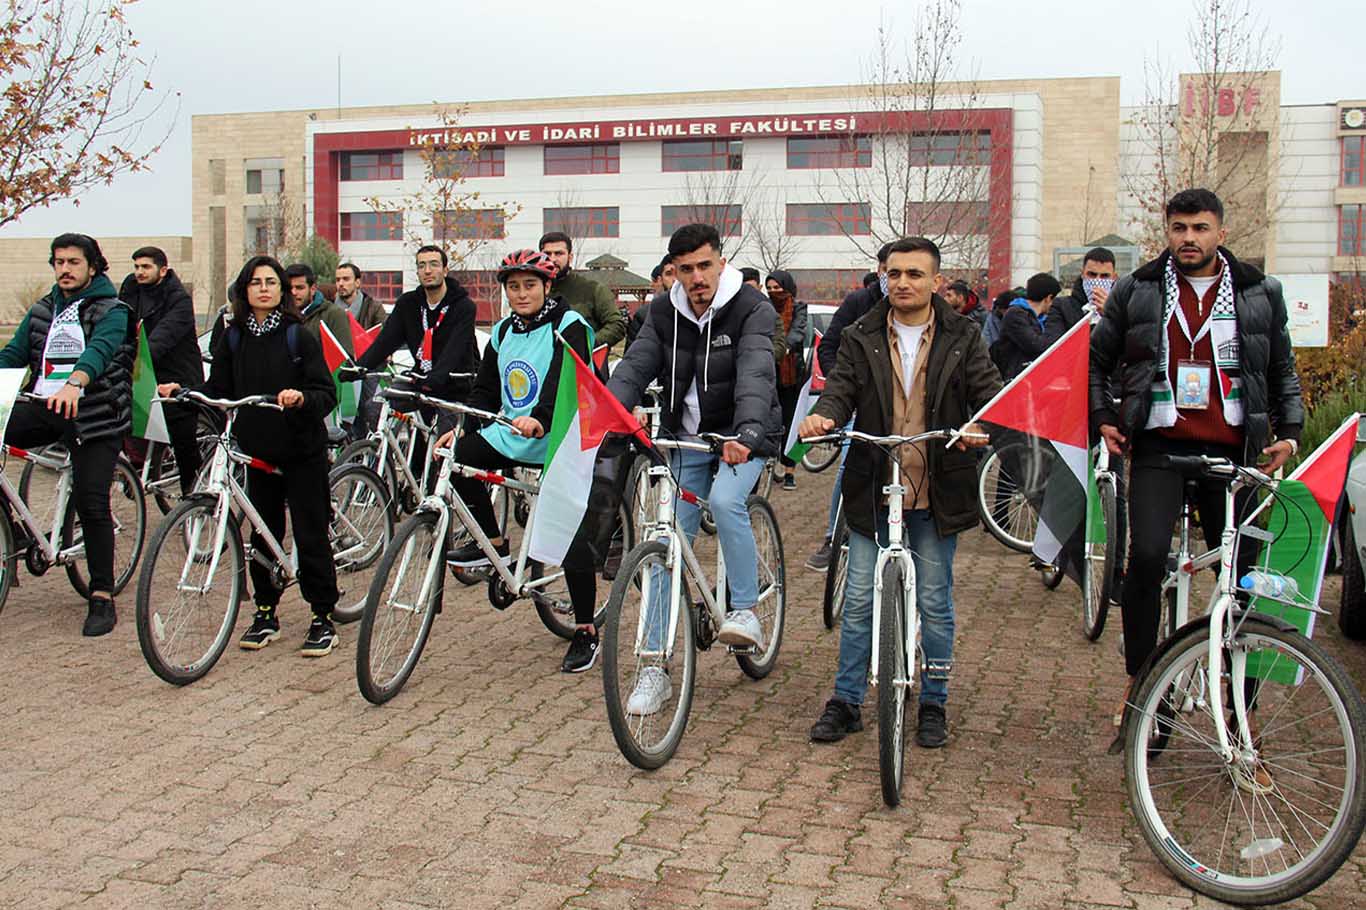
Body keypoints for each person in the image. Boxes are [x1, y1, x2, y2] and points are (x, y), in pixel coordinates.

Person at [1090, 188, 1303, 729]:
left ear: (1220, 233)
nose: (1190, 238)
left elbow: (1281, 366)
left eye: (1201, 228)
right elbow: (1098, 361)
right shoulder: (1137, 290)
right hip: (1161, 445)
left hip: (1234, 449)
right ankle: (1139, 682)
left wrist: (1292, 430)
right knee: (1145, 559)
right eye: (1180, 228)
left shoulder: (1260, 291)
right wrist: (1105, 416)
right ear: (1168, 232)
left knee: (1243, 575)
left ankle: (1241, 709)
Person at [800, 236, 1001, 748]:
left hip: (938, 487)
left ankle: (934, 700)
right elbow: (841, 387)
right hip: (874, 486)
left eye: (915, 274)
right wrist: (825, 416)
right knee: (861, 600)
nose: (904, 283)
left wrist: (981, 424)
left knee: (935, 600)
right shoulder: (859, 333)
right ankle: (847, 700)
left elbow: (988, 392)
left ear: (937, 281)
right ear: (883, 277)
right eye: (895, 274)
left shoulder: (964, 335)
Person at [607, 223, 783, 714]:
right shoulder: (664, 311)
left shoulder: (752, 308)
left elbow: (755, 372)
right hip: (685, 440)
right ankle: (653, 668)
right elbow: (635, 366)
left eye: (705, 265)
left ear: (721, 262)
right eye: (686, 269)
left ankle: (745, 610)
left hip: (741, 438)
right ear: (674, 272)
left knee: (728, 502)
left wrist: (747, 434)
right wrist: (613, 412)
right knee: (664, 538)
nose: (697, 277)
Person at [161, 256, 341, 655]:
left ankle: (322, 617)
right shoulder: (234, 337)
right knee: (262, 532)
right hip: (257, 451)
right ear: (244, 289)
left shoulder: (298, 336)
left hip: (300, 450)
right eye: (256, 282)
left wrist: (299, 398)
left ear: (282, 291)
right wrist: (185, 392)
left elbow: (326, 394)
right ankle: (265, 612)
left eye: (272, 282)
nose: (264, 288)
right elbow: (218, 389)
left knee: (310, 532)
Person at [433, 250, 602, 673]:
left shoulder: (570, 326)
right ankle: (497, 548)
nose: (521, 293)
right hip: (513, 432)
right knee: (458, 459)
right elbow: (485, 388)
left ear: (547, 286)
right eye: (513, 286)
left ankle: (585, 630)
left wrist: (542, 420)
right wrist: (467, 426)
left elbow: (564, 381)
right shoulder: (505, 330)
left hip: (560, 435)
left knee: (569, 533)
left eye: (529, 285)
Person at [0, 234, 134, 636]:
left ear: (93, 266)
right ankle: (14, 528)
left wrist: (76, 382)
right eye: (58, 262)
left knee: (92, 502)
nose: (65, 269)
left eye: (74, 262)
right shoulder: (43, 310)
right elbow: (13, 355)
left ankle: (101, 594)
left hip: (96, 413)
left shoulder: (112, 309)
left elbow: (101, 350)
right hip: (47, 407)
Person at [354, 246, 480, 483]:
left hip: (455, 383)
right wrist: (360, 367)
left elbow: (455, 349)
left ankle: (440, 492)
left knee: (445, 446)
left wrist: (437, 377)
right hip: (422, 380)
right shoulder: (409, 304)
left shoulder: (463, 306)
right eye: (421, 265)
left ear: (445, 269)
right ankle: (398, 464)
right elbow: (386, 340)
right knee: (386, 400)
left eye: (433, 264)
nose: (427, 270)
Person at [805, 242, 892, 571]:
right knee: (849, 464)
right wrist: (842, 383)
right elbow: (828, 346)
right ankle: (833, 537)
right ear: (880, 269)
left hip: (908, 408)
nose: (897, 281)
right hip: (863, 403)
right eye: (889, 271)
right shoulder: (859, 302)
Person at [118, 245, 203, 495]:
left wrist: (133, 361)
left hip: (177, 375)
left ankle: (194, 496)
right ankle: (135, 469)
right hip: (143, 371)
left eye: (146, 267)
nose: (140, 272)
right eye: (136, 267)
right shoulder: (131, 290)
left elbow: (161, 339)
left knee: (183, 440)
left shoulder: (179, 299)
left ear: (163, 270)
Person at [539, 231, 626, 350]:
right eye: (547, 254)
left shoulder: (593, 289)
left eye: (559, 253)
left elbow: (617, 325)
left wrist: (586, 345)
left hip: (582, 364)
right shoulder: (534, 291)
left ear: (570, 257)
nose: (553, 259)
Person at [334, 262, 388, 441]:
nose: (341, 283)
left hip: (368, 369)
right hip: (341, 369)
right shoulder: (331, 309)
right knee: (345, 415)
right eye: (338, 280)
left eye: (346, 279)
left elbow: (384, 335)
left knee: (369, 408)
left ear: (357, 283)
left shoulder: (373, 307)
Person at [766, 270, 808, 491]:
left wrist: (782, 349)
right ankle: (774, 464)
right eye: (770, 288)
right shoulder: (764, 307)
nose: (774, 292)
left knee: (794, 424)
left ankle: (791, 470)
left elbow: (798, 332)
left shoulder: (799, 308)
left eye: (778, 287)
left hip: (793, 376)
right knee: (774, 421)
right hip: (769, 373)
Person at [1043, 247, 1117, 344]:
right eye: (1092, 274)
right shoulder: (1062, 306)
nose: (1098, 280)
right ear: (1082, 274)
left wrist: (1110, 315)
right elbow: (1054, 345)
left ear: (1114, 277)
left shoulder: (1124, 308)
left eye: (1105, 276)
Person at [993, 273, 1058, 381]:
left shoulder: (1041, 318)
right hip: (1015, 379)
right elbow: (1036, 345)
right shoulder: (1015, 314)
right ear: (1048, 298)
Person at [287, 263, 353, 359]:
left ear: (312, 289)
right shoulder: (280, 315)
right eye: (289, 288)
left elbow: (345, 358)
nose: (293, 293)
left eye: (299, 288)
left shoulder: (334, 315)